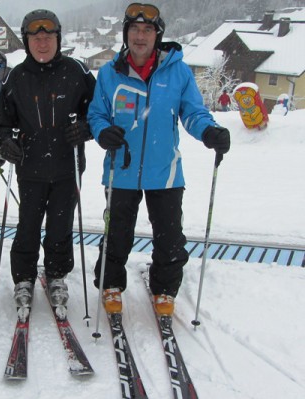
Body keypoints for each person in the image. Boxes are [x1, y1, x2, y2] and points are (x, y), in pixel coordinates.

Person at [88, 3, 231, 317]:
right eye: (135, 30)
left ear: (157, 35)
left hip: (165, 171)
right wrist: (102, 132)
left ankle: (165, 289)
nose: (141, 36)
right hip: (120, 171)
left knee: (169, 238)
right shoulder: (110, 73)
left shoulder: (176, 71)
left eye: (147, 30)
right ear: (126, 34)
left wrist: (209, 132)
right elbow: (97, 114)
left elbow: (192, 112)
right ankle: (111, 283)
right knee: (117, 235)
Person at [0, 9, 96, 319]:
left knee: (60, 226)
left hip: (68, 166)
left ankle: (56, 274)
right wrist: (5, 140)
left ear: (58, 39)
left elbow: (99, 111)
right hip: (30, 166)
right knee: (27, 226)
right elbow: (1, 120)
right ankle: (24, 277)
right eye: (35, 37)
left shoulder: (78, 72)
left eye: (48, 36)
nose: (42, 42)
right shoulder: (15, 77)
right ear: (26, 41)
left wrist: (88, 127)